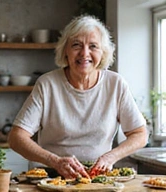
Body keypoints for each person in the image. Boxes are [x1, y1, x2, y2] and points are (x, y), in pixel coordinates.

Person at [8, 15, 148, 179]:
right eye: (76, 45)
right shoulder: (47, 84)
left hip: (96, 177)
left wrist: (110, 156)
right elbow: (16, 138)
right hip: (49, 175)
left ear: (103, 53)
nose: (84, 53)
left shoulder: (116, 84)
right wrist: (55, 161)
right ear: (65, 51)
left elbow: (140, 134)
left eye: (93, 46)